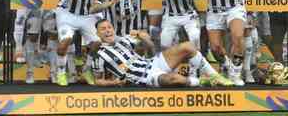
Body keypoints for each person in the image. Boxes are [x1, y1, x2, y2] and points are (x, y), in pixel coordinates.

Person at [93, 19, 231, 87]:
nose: (107, 31)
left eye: (109, 27)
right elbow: (97, 80)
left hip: (153, 62)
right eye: (103, 29)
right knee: (173, 79)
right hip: (145, 77)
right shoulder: (99, 55)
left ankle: (215, 76)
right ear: (97, 33)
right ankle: (201, 81)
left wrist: (142, 35)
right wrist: (114, 82)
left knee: (188, 46)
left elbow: (151, 45)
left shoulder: (124, 40)